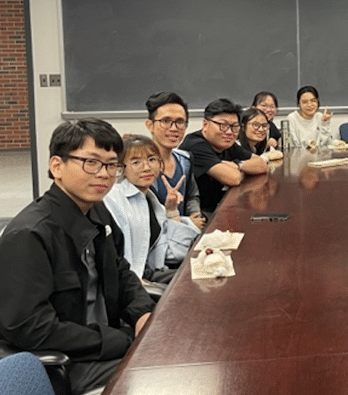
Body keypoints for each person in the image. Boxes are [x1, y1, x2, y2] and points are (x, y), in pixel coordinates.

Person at [0, 119, 155, 395]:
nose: (104, 174)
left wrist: (142, 312)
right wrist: (120, 340)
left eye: (111, 165)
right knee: (161, 376)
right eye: (91, 163)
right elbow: (29, 328)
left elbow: (120, 272)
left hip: (98, 345)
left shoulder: (95, 212)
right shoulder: (29, 236)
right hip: (59, 365)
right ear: (56, 166)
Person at [104, 134, 200, 286]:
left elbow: (172, 253)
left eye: (152, 159)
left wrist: (172, 211)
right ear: (121, 169)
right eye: (136, 162)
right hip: (134, 279)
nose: (147, 167)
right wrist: (134, 282)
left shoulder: (149, 198)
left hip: (152, 271)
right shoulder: (114, 199)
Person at [179, 98, 267, 216]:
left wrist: (237, 165)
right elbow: (233, 178)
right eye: (222, 125)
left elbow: (261, 164)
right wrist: (237, 170)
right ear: (205, 124)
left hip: (219, 205)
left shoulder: (226, 143)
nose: (229, 132)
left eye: (234, 126)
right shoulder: (195, 145)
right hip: (198, 214)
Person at [145, 91, 206, 230]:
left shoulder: (185, 160)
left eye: (180, 122)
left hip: (184, 237)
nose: (174, 128)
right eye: (166, 121)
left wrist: (195, 215)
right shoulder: (141, 167)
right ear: (150, 125)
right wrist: (187, 223)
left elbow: (192, 196)